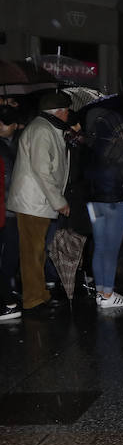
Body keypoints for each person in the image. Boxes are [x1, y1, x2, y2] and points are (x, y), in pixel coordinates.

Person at [6, 91, 74, 317]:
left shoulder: (46, 128)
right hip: (33, 201)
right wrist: (59, 201)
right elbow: (43, 170)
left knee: (37, 252)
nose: (68, 115)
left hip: (37, 200)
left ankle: (39, 295)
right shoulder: (42, 130)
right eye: (67, 111)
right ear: (60, 111)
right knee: (32, 253)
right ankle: (33, 300)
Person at [83, 106, 123, 309]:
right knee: (112, 249)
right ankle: (108, 294)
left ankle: (100, 292)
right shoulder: (118, 145)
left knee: (99, 246)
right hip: (113, 200)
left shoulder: (88, 142)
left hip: (94, 201)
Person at [0, 105, 22, 320]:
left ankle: (7, 296)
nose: (1, 126)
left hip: (11, 209)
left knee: (10, 255)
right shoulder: (5, 147)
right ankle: (6, 298)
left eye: (5, 122)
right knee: (7, 255)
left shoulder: (16, 143)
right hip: (7, 209)